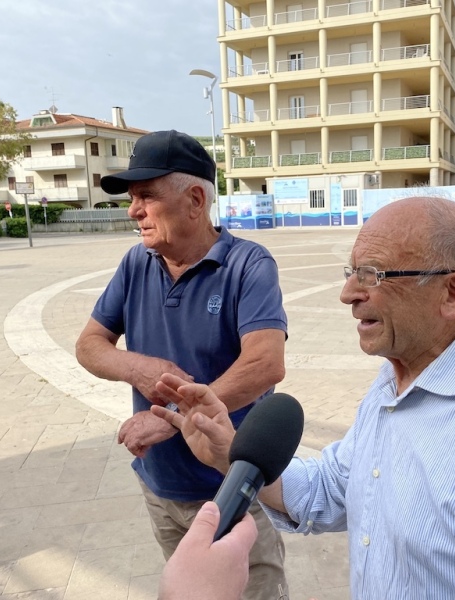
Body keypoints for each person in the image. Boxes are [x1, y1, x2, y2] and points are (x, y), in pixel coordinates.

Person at [151, 196, 455, 599]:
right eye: (351, 271)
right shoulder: (395, 380)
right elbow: (335, 488)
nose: (347, 294)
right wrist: (230, 455)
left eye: (372, 273)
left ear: (453, 292)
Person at [75, 130, 289, 600]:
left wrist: (170, 419)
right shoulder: (137, 262)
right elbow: (89, 344)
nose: (134, 211)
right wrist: (138, 368)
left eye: (146, 196)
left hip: (231, 492)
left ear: (195, 199)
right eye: (132, 198)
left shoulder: (248, 266)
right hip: (160, 487)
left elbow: (266, 363)